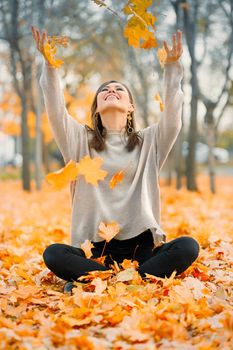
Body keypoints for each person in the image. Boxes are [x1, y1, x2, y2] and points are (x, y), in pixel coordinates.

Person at [31, 26, 200, 294]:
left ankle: (105, 281)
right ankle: (120, 279)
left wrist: (172, 69)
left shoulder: (149, 141)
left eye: (119, 89)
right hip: (94, 250)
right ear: (97, 107)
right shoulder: (78, 141)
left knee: (189, 246)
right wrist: (50, 67)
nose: (111, 90)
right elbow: (55, 110)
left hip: (142, 250)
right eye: (105, 90)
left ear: (131, 106)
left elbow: (173, 117)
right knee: (53, 253)